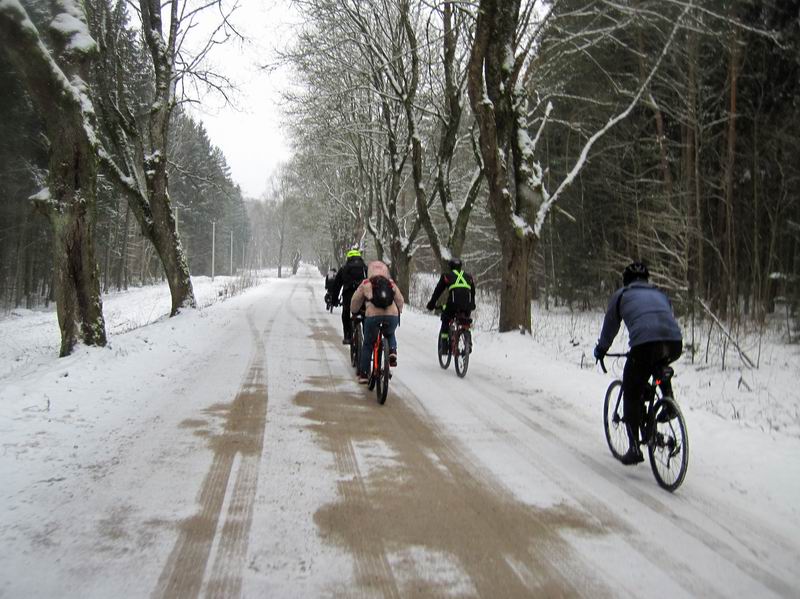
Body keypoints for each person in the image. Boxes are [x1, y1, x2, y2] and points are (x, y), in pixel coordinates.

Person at [594, 261, 683, 465]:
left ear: (626, 280)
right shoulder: (660, 294)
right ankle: (667, 397)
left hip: (644, 346)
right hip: (674, 343)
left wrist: (601, 350)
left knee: (632, 393)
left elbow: (610, 328)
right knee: (657, 368)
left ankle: (634, 448)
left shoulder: (622, 295)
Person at [350, 260, 404, 384]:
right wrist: (399, 310)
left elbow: (355, 300)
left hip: (373, 316)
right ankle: (392, 351)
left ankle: (364, 374)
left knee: (368, 344)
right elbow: (400, 299)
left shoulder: (366, 283)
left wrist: (354, 311)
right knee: (390, 333)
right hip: (392, 316)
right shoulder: (390, 283)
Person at [425, 258, 476, 354]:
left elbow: (438, 291)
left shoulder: (447, 276)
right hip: (467, 306)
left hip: (453, 305)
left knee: (445, 319)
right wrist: (472, 305)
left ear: (450, 266)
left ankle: (444, 345)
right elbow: (473, 292)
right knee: (465, 321)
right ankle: (467, 339)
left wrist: (431, 304)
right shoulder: (469, 276)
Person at [330, 246, 368, 344]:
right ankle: (367, 336)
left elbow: (336, 286)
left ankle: (347, 336)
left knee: (346, 314)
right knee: (365, 314)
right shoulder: (365, 268)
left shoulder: (344, 268)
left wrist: (334, 300)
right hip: (362, 296)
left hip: (348, 296)